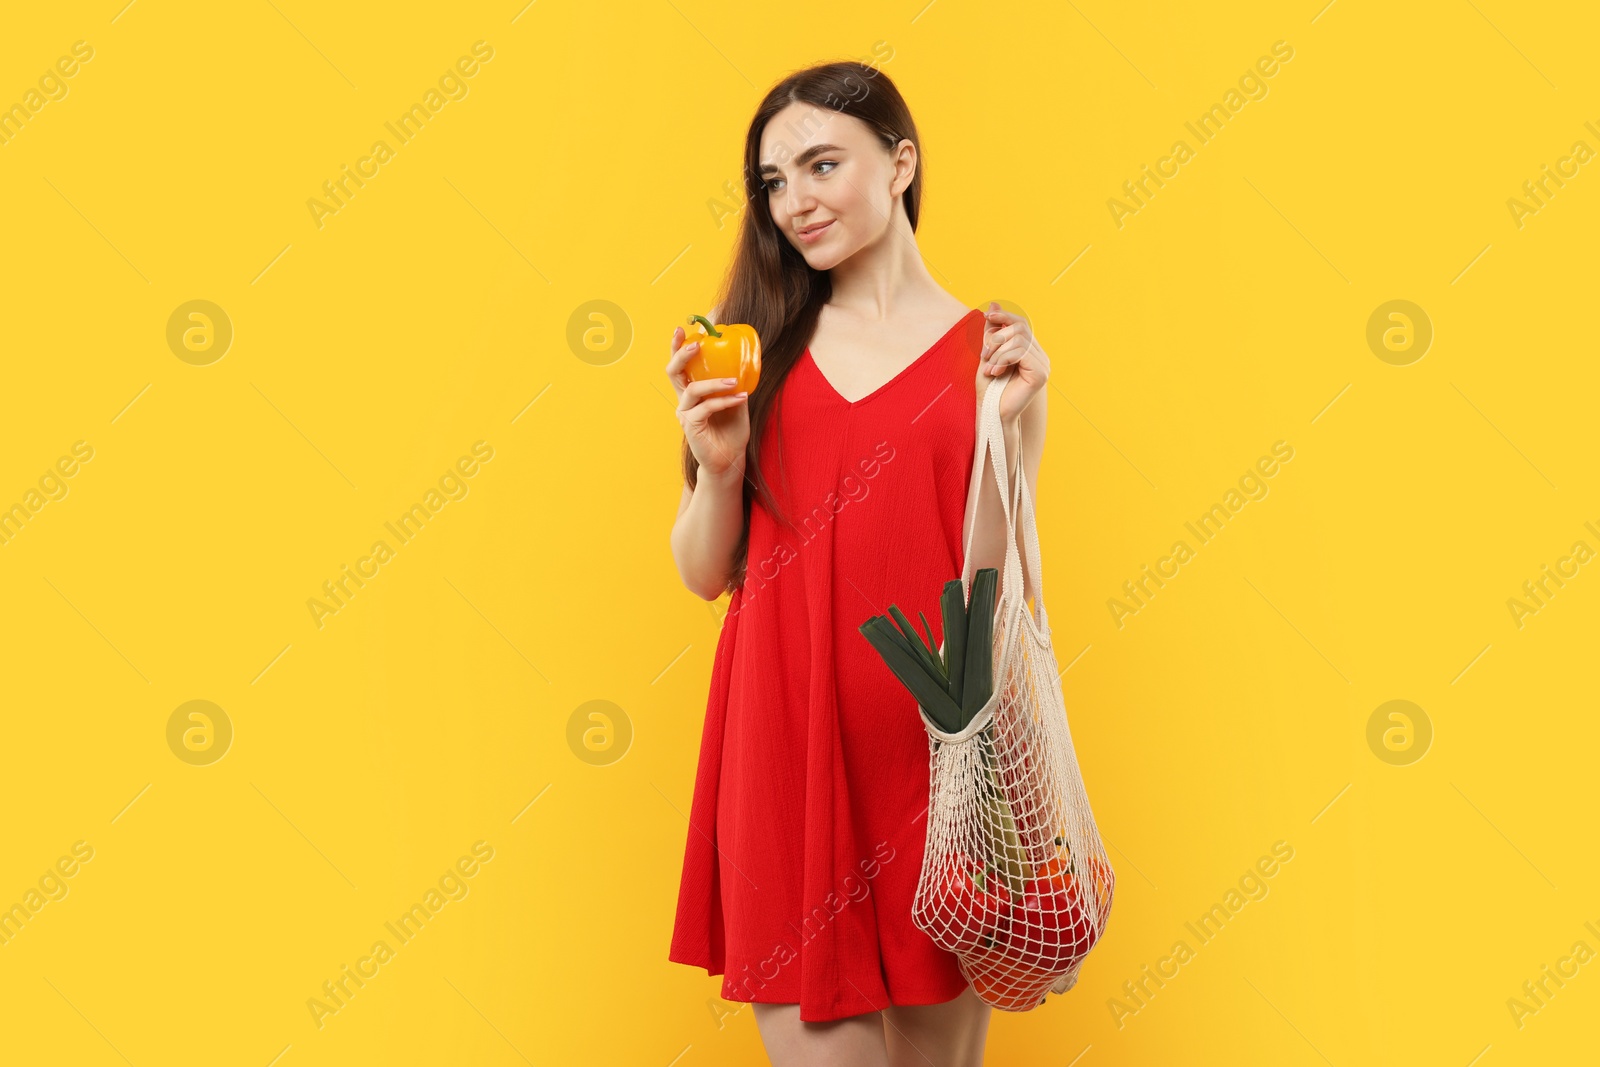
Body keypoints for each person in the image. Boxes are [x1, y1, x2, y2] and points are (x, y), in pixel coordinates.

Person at [664, 60, 1050, 1067]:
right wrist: (717, 469)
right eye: (772, 183)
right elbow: (707, 573)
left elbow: (981, 587)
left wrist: (1008, 434)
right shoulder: (757, 350)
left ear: (899, 163)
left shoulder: (993, 357)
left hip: (941, 766)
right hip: (782, 749)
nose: (793, 202)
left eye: (820, 164)